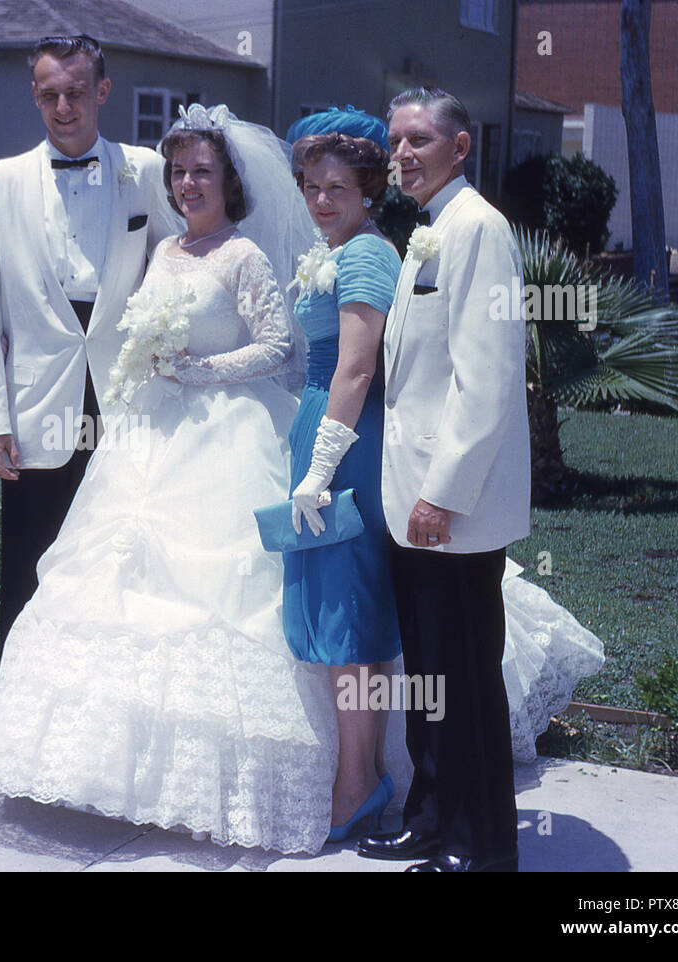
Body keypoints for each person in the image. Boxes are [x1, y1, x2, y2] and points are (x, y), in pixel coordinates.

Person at [0, 104, 369, 854]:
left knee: (214, 598)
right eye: (178, 172)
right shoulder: (166, 251)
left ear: (229, 182)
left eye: (202, 172)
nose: (187, 184)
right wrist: (153, 367)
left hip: (225, 436)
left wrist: (199, 371)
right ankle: (117, 775)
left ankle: (226, 778)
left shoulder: (243, 255)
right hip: (149, 434)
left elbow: (282, 348)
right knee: (115, 581)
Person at [357, 86, 531, 872]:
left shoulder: (479, 229)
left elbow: (487, 380)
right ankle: (429, 820)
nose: (402, 154)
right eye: (395, 140)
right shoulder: (429, 230)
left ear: (459, 147)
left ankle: (480, 845)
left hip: (449, 509)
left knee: (462, 681)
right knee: (430, 681)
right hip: (412, 502)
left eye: (419, 140)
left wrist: (442, 493)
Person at [0, 34, 178, 642]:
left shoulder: (146, 170)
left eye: (76, 93)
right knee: (32, 564)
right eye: (50, 95)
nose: (63, 108)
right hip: (35, 407)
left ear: (102, 91)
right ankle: (19, 710)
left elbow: (177, 263)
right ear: (35, 95)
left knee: (116, 561)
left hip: (124, 400)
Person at [282, 108, 403, 841]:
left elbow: (358, 368)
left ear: (366, 190)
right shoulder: (336, 247)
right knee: (335, 614)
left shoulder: (365, 255)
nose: (322, 200)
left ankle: (360, 781)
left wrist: (322, 468)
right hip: (322, 428)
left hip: (347, 442)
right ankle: (356, 776)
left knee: (351, 615)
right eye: (311, 186)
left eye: (336, 187)